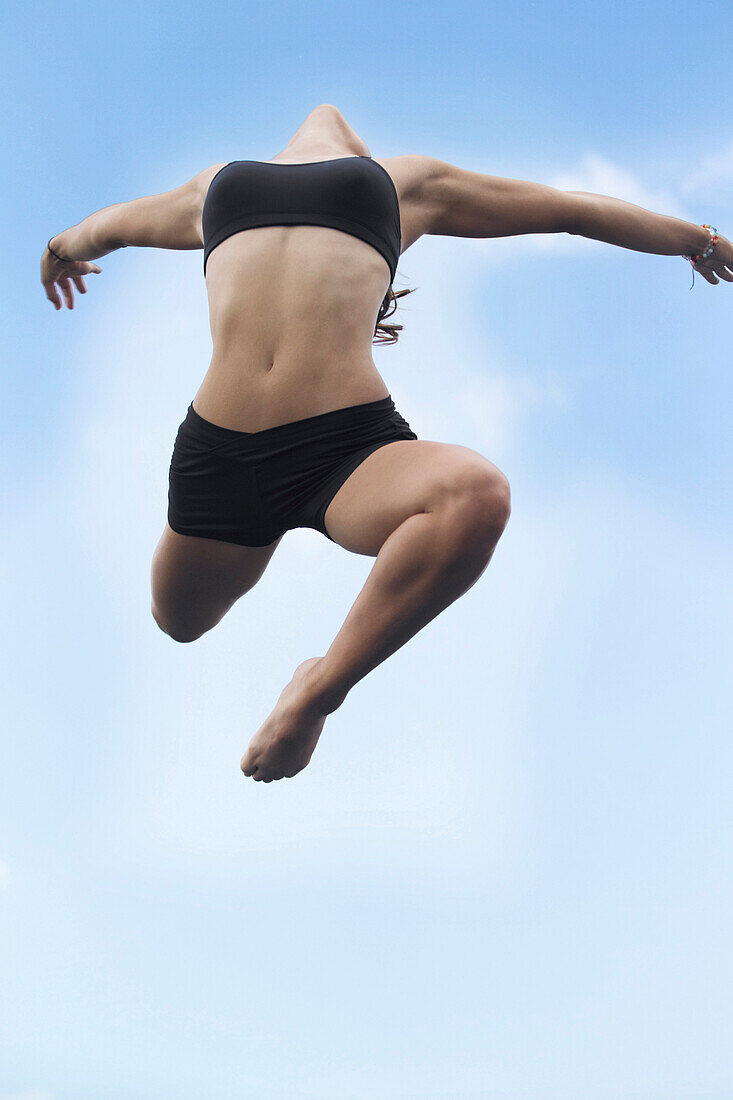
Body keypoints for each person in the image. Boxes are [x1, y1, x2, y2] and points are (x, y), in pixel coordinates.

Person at [41, 104, 732, 784]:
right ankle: (293, 659)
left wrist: (697, 239)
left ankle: (316, 690)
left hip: (343, 452)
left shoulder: (400, 186)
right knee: (178, 620)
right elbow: (104, 229)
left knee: (474, 495)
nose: (327, 113)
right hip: (219, 458)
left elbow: (566, 210)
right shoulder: (212, 188)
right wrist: (58, 252)